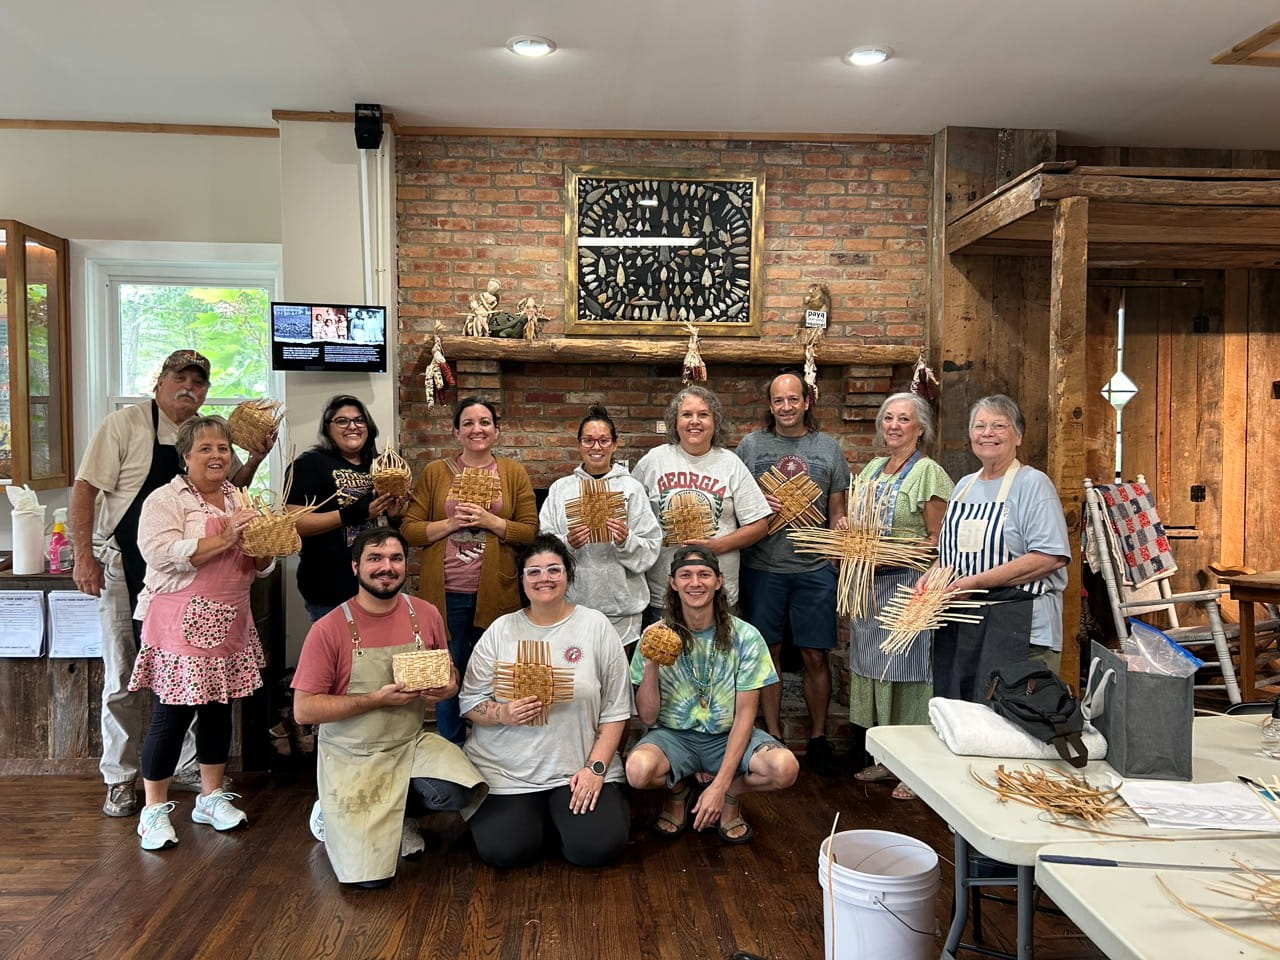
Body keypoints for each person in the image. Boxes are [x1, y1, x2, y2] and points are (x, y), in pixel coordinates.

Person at [69, 349, 271, 818]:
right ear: (159, 381)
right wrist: (84, 556)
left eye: (198, 382)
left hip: (210, 590)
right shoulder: (123, 427)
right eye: (180, 378)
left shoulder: (212, 432)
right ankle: (121, 777)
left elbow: (229, 490)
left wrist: (256, 461)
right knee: (126, 678)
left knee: (207, 688)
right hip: (131, 565)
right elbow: (86, 489)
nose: (189, 388)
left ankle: (191, 772)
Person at [292, 528, 486, 888]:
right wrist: (374, 700)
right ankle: (330, 812)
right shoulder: (329, 628)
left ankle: (401, 816)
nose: (387, 567)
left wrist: (446, 688)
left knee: (461, 789)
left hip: (409, 743)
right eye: (375, 559)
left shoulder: (425, 614)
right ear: (355, 567)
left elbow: (449, 677)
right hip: (353, 755)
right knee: (369, 882)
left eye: (396, 559)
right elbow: (304, 710)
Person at [128, 416, 274, 851]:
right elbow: (160, 552)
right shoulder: (165, 499)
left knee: (217, 710)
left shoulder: (241, 496)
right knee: (171, 715)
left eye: (224, 448)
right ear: (186, 456)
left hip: (229, 619)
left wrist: (265, 546)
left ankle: (209, 797)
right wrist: (229, 537)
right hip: (178, 622)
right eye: (206, 449)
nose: (217, 456)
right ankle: (153, 809)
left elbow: (261, 565)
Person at [459, 534, 632, 868]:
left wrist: (596, 768)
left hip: (577, 766)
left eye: (554, 569)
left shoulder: (595, 626)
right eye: (533, 572)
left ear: (568, 575)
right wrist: (502, 712)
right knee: (506, 852)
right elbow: (470, 702)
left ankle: (561, 814)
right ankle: (537, 817)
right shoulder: (501, 630)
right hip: (507, 770)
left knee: (595, 849)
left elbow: (616, 709)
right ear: (522, 580)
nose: (544, 579)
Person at [626, 546, 799, 844]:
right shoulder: (654, 634)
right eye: (686, 575)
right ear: (673, 582)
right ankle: (679, 791)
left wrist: (720, 787)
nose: (695, 583)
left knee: (784, 769)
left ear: (719, 581)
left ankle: (732, 794)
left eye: (704, 575)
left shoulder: (745, 636)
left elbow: (746, 715)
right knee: (638, 771)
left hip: (727, 735)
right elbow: (648, 716)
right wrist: (652, 662)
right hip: (674, 736)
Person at [401, 397, 538, 744]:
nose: (477, 429)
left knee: (496, 673)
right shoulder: (437, 472)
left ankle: (495, 747)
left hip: (496, 593)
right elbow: (410, 530)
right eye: (468, 423)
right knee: (447, 676)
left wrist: (490, 520)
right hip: (444, 594)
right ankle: (452, 748)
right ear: (456, 431)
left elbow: (529, 531)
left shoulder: (512, 472)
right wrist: (449, 523)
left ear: (496, 430)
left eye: (485, 422)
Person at [735, 371, 850, 776]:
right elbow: (736, 501)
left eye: (793, 399)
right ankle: (773, 734)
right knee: (769, 654)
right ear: (770, 405)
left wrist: (841, 532)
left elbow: (837, 510)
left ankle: (818, 737)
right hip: (762, 566)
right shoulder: (750, 446)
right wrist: (754, 501)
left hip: (815, 567)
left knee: (815, 654)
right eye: (778, 400)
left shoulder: (828, 449)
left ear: (806, 401)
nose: (786, 407)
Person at [930, 395, 1071, 702]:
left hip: (1020, 630)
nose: (987, 433)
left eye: (999, 426)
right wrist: (932, 577)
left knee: (1015, 728)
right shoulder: (964, 486)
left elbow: (1049, 557)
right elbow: (951, 552)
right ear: (970, 436)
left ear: (1018, 435)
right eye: (980, 426)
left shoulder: (1033, 484)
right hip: (964, 629)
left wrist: (975, 583)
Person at [847, 393, 953, 798]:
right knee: (876, 670)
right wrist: (847, 532)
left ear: (920, 427)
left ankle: (916, 769)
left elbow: (939, 541)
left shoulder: (929, 473)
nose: (893, 425)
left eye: (903, 419)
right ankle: (886, 758)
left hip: (909, 587)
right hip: (869, 589)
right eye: (888, 418)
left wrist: (895, 553)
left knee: (909, 673)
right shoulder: (874, 468)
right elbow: (861, 524)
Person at [632, 385, 771, 616]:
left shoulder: (730, 463)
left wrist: (718, 546)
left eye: (703, 415)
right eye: (686, 415)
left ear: (715, 422)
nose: (694, 421)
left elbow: (759, 525)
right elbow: (633, 517)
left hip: (719, 593)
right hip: (665, 593)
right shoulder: (654, 461)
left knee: (720, 652)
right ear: (675, 422)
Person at [538, 403, 662, 648]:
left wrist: (626, 540)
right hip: (572, 606)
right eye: (588, 440)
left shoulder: (631, 489)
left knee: (620, 681)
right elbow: (542, 546)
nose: (596, 447)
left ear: (615, 444)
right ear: (578, 444)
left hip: (623, 608)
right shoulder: (561, 490)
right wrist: (566, 543)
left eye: (604, 441)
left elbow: (651, 548)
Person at [286, 395, 406, 622]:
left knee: (381, 653)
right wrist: (356, 512)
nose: (352, 426)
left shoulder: (381, 465)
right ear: (327, 428)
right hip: (330, 587)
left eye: (359, 420)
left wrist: (395, 516)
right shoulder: (309, 464)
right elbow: (294, 523)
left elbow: (391, 522)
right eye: (342, 421)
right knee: (340, 656)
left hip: (380, 582)